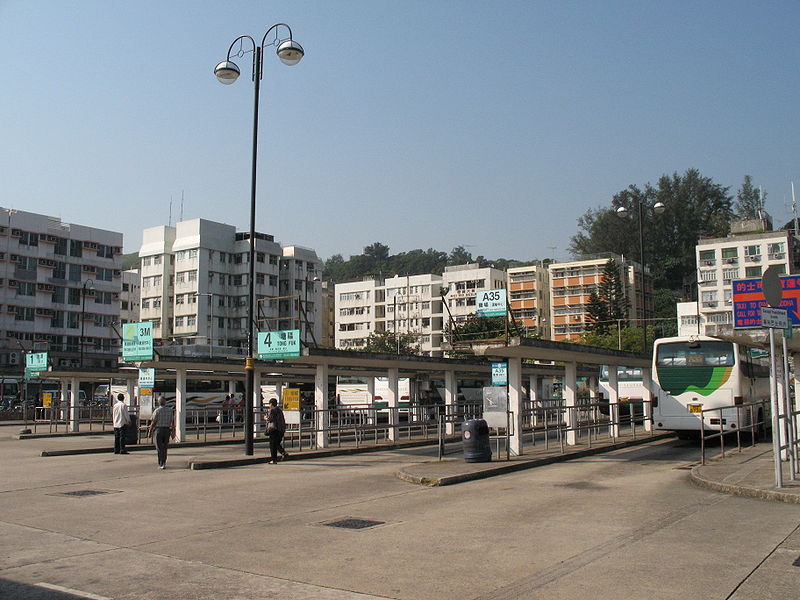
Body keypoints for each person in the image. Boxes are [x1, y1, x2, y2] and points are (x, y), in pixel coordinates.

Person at [148, 396, 175, 469]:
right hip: (167, 430)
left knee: (159, 447)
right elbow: (172, 422)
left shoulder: (157, 411)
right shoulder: (170, 410)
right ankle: (164, 462)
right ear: (165, 402)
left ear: (158, 402)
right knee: (165, 447)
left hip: (158, 430)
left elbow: (153, 422)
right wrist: (173, 432)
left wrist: (150, 431)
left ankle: (161, 463)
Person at [264, 398, 287, 464]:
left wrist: (265, 418)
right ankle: (283, 452)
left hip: (274, 429)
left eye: (269, 404)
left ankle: (274, 459)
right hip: (281, 429)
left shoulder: (272, 410)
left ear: (271, 404)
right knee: (276, 443)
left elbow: (270, 419)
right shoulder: (279, 410)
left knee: (272, 445)